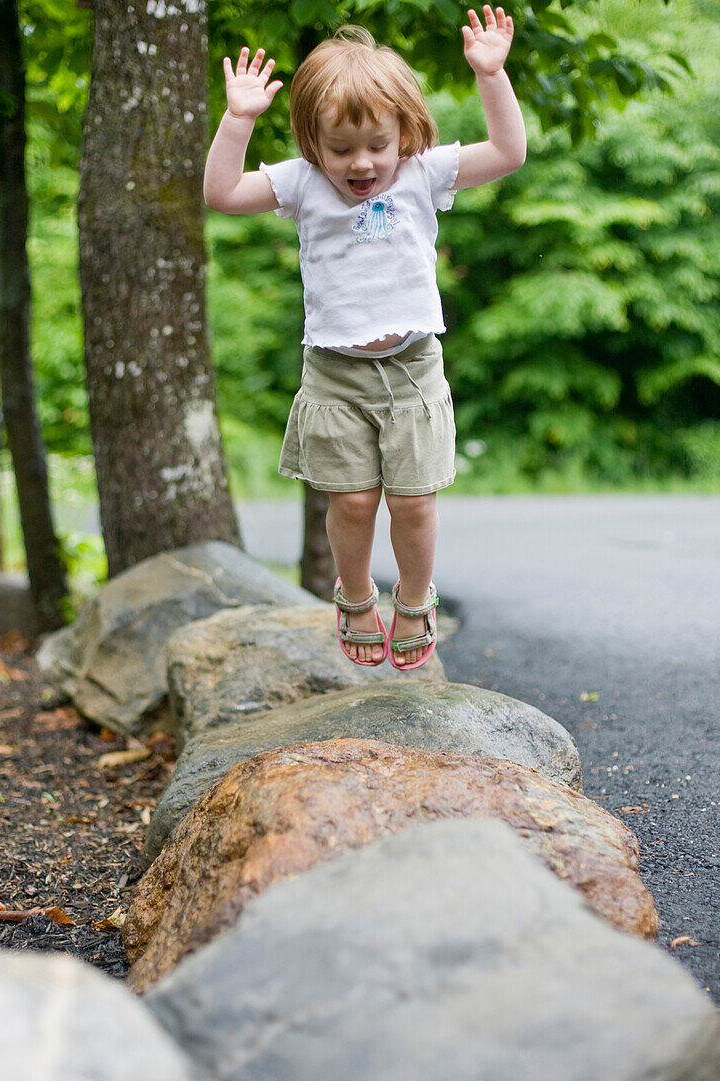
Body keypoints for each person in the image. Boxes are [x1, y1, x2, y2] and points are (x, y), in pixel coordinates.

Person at [204, 5, 526, 670]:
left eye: (376, 145)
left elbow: (507, 152)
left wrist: (491, 77)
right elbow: (222, 194)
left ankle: (413, 597)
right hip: (334, 369)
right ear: (310, 141)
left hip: (411, 365)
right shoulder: (299, 182)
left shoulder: (422, 174)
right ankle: (354, 596)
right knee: (350, 500)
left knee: (412, 502)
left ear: (404, 134)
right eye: (341, 148)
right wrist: (237, 121)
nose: (361, 164)